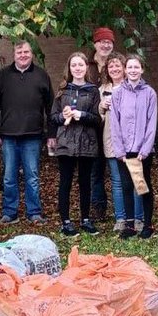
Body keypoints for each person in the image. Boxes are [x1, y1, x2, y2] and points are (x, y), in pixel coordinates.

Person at [0, 41, 53, 225]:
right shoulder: (3, 76)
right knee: (9, 177)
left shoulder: (42, 75)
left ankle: (34, 212)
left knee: (32, 177)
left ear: (32, 54)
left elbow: (50, 107)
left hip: (33, 135)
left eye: (26, 52)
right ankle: (10, 212)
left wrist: (51, 134)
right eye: (19, 52)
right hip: (8, 135)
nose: (23, 55)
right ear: (14, 55)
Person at [50, 52, 102, 237]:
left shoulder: (93, 90)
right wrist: (62, 116)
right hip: (65, 142)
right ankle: (65, 221)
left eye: (81, 65)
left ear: (86, 67)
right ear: (69, 68)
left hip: (87, 142)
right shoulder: (63, 89)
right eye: (74, 65)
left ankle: (86, 219)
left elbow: (98, 118)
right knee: (65, 182)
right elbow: (53, 117)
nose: (77, 68)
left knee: (85, 182)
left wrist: (82, 115)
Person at [111, 54, 158, 239]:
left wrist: (145, 150)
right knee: (126, 185)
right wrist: (119, 150)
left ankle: (147, 224)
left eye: (136, 67)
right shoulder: (118, 93)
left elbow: (151, 123)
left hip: (141, 151)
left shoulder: (149, 93)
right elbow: (115, 123)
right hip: (124, 150)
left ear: (142, 69)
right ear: (125, 70)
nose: (132, 70)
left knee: (143, 185)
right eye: (129, 67)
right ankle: (129, 225)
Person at [99, 54, 145, 231]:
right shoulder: (102, 89)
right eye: (111, 66)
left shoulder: (134, 87)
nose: (115, 69)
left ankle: (139, 218)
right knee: (117, 182)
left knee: (137, 180)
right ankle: (121, 218)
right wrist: (102, 106)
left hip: (133, 142)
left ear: (125, 68)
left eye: (118, 65)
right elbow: (99, 117)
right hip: (112, 141)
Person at [86, 27, 116, 220]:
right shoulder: (86, 66)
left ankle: (122, 209)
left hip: (113, 125)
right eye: (102, 41)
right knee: (95, 170)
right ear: (95, 43)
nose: (105, 45)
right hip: (91, 125)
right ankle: (98, 208)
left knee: (116, 170)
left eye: (109, 42)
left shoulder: (116, 64)